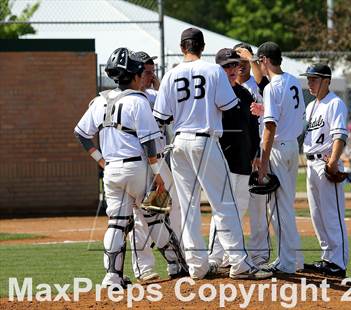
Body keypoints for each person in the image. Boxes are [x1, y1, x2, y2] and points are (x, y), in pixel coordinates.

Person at [153, 27, 272, 280]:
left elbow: (161, 117)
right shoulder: (213, 70)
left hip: (179, 142)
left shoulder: (170, 74)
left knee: (188, 207)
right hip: (204, 140)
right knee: (224, 203)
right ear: (202, 46)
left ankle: (197, 265)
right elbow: (228, 105)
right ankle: (239, 263)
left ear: (183, 46)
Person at [74, 47, 163, 287]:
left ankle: (112, 276)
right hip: (137, 168)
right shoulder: (138, 100)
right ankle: (176, 267)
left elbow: (81, 133)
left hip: (111, 169)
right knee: (154, 217)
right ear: (135, 75)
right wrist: (158, 176)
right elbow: (149, 143)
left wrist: (101, 160)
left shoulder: (99, 100)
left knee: (116, 223)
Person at [129, 51, 187, 281]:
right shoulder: (128, 100)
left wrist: (159, 85)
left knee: (172, 212)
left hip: (160, 162)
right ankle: (144, 269)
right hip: (142, 164)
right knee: (141, 218)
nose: (150, 76)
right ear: (135, 73)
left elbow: (173, 112)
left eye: (153, 72)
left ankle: (176, 264)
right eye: (146, 72)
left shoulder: (155, 96)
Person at [208, 48, 261, 267]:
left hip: (243, 160)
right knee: (222, 209)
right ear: (218, 69)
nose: (233, 69)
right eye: (227, 66)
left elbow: (252, 128)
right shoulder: (212, 94)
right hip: (223, 159)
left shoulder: (244, 93)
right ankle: (214, 256)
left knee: (238, 208)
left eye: (235, 64)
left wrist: (255, 154)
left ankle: (231, 254)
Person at [256, 41, 305, 274]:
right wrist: (264, 111)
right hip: (293, 146)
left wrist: (263, 163)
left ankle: (287, 263)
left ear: (265, 59)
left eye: (259, 61)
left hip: (277, 148)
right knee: (286, 205)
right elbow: (292, 116)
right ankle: (294, 260)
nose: (259, 65)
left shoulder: (270, 87)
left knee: (278, 207)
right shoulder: (294, 81)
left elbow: (270, 128)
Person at [301, 63, 349, 277]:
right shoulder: (311, 106)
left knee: (331, 215)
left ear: (326, 80)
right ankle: (327, 258)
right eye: (309, 79)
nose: (310, 83)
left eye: (314, 79)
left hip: (326, 163)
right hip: (311, 163)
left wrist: (333, 163)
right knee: (316, 214)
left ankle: (338, 263)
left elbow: (340, 136)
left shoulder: (335, 103)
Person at [232, 43, 271, 266]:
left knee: (257, 207)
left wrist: (251, 58)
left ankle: (259, 255)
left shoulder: (259, 86)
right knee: (231, 206)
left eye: (244, 61)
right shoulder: (227, 86)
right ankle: (229, 254)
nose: (240, 65)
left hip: (256, 152)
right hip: (234, 154)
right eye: (236, 61)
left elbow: (263, 82)